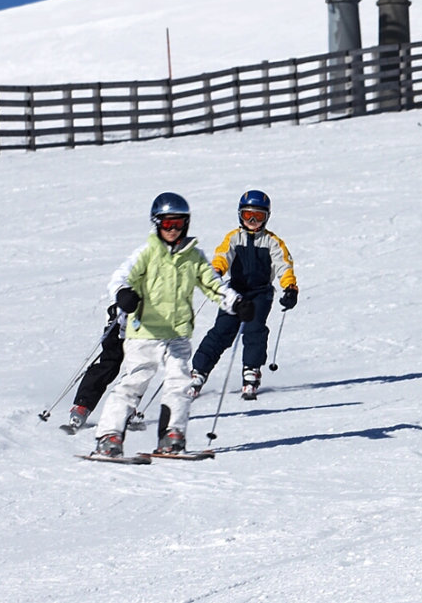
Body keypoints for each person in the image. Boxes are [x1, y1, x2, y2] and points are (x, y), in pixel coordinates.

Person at [93, 193, 245, 458]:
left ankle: (172, 436)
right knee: (133, 384)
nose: (173, 230)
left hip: (177, 335)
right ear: (157, 224)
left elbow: (213, 285)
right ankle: (109, 436)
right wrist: (123, 294)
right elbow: (120, 277)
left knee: (180, 384)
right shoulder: (148, 253)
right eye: (167, 224)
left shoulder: (193, 256)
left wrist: (235, 303)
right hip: (145, 334)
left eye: (178, 223)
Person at [189, 191, 299, 401]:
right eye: (248, 215)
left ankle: (251, 370)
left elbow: (284, 265)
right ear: (240, 215)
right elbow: (222, 255)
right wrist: (217, 271)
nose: (252, 221)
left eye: (258, 216)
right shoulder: (233, 237)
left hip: (261, 292)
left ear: (266, 217)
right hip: (236, 292)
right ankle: (198, 371)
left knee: (255, 329)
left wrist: (290, 287)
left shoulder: (272, 241)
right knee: (221, 331)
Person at [63, 304, 146, 434]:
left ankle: (127, 409)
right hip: (119, 322)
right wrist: (119, 303)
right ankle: (82, 406)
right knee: (108, 365)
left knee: (137, 369)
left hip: (144, 328)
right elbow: (117, 285)